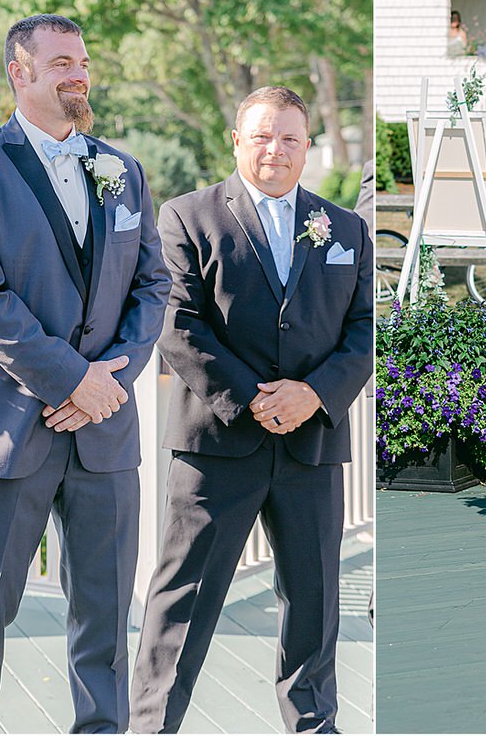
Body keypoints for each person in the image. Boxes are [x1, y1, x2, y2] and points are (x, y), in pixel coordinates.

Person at [0, 14, 171, 732]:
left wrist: (109, 385)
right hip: (11, 432)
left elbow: (152, 285)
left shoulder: (121, 170)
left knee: (104, 616)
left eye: (84, 62)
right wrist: (73, 379)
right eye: (61, 61)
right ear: (20, 72)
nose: (79, 74)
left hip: (104, 434)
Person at [129, 86, 373, 733]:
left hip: (311, 446)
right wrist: (255, 401)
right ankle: (153, 726)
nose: (276, 149)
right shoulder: (188, 217)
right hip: (217, 447)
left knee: (315, 606)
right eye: (262, 136)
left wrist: (312, 395)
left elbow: (365, 328)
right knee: (184, 602)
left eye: (290, 137)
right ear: (237, 141)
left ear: (307, 146)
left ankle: (315, 726)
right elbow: (177, 324)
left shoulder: (345, 228)